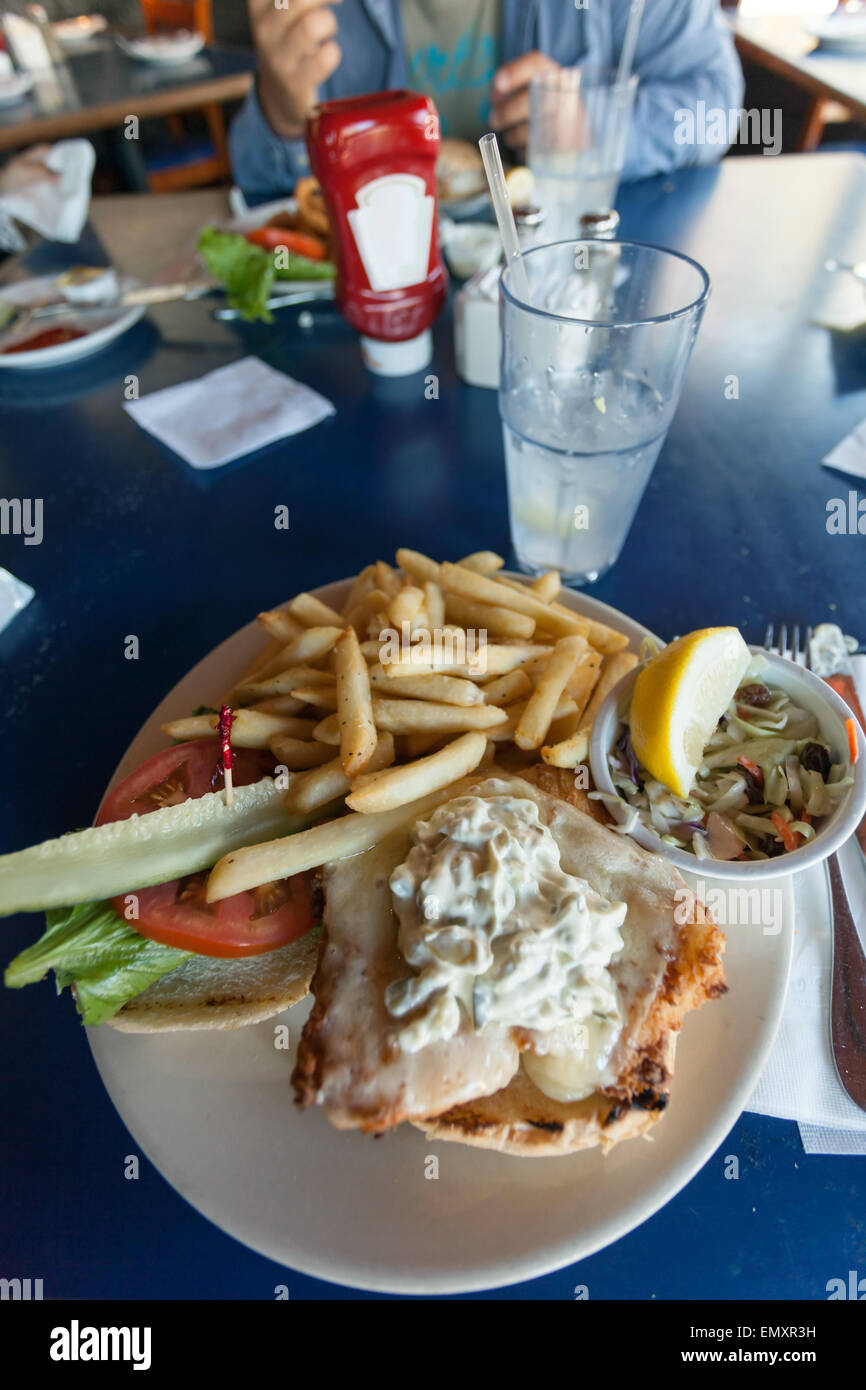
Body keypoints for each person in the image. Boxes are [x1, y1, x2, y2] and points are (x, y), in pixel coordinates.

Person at [230, 0, 744, 200]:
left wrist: (596, 128)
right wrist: (282, 114)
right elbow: (260, 181)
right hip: (366, 325)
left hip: (574, 287)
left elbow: (715, 108)